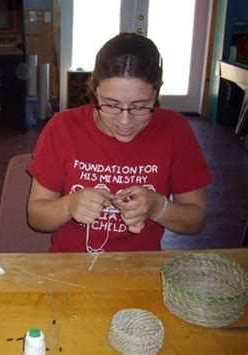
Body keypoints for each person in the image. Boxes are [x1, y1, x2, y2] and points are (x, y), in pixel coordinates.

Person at [27, 33, 213, 253]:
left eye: (140, 106)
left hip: (140, 269)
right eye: (111, 104)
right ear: (95, 92)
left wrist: (158, 207)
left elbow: (196, 221)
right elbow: (36, 217)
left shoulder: (175, 129)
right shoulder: (63, 127)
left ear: (156, 96)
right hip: (70, 267)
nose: (125, 121)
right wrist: (69, 205)